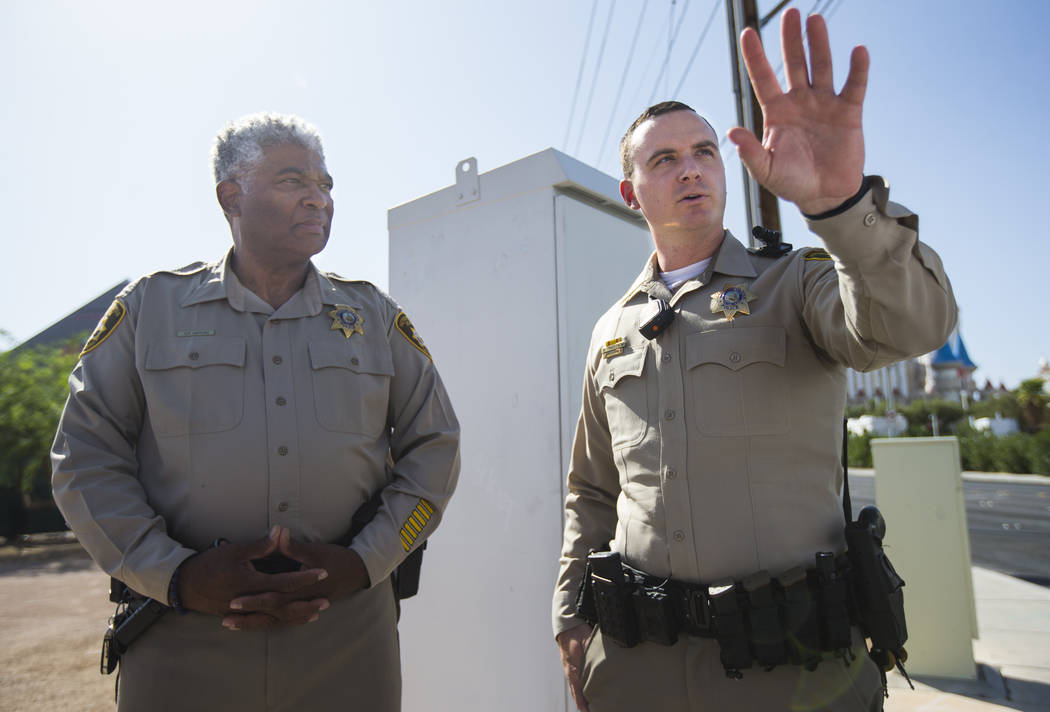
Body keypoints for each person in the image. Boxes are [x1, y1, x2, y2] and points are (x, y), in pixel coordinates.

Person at [552, 9, 955, 712]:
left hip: (795, 674)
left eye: (705, 152)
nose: (691, 170)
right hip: (637, 676)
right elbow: (591, 491)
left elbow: (911, 326)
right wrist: (569, 616)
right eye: (665, 159)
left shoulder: (796, 281)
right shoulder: (611, 330)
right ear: (631, 193)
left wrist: (843, 207)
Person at [51, 113, 460, 711]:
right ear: (230, 195)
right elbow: (83, 456)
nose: (318, 198)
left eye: (326, 184)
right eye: (294, 181)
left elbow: (436, 447)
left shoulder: (372, 316)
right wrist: (174, 574)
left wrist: (364, 561)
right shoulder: (150, 309)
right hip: (180, 634)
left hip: (346, 637)